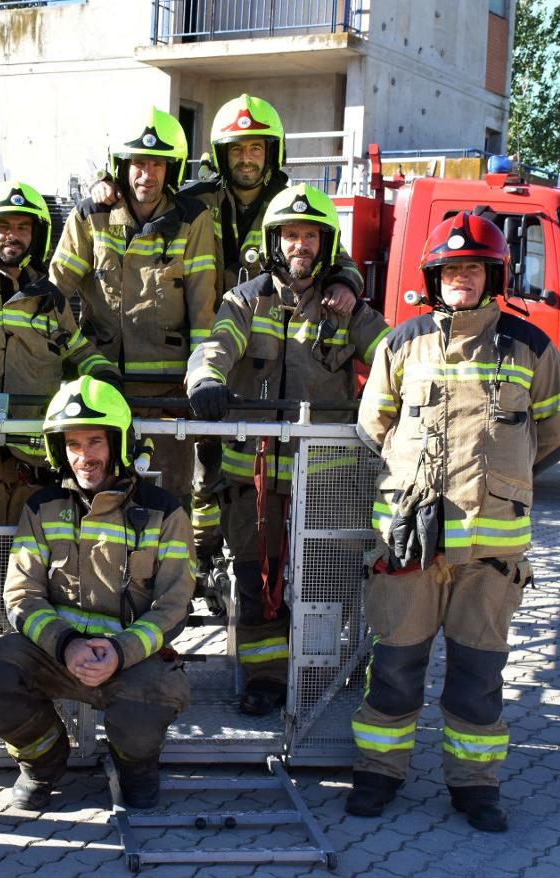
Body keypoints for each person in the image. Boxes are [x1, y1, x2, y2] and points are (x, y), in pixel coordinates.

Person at [346, 211, 560, 831]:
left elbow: (559, 432)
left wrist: (506, 483)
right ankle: (378, 774)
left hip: (491, 560)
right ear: (434, 276)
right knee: (394, 670)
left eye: (472, 268)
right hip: (410, 549)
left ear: (491, 275)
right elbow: (374, 428)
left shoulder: (531, 347)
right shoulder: (402, 342)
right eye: (451, 269)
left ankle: (475, 787)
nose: (461, 279)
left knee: (478, 679)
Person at [88, 94, 364, 574]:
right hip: (202, 352)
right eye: (236, 150)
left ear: (270, 154)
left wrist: (345, 281)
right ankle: (200, 556)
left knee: (239, 458)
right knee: (200, 458)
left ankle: (232, 554)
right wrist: (104, 186)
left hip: (262, 349)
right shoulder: (194, 198)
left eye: (255, 149)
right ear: (221, 155)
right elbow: (144, 199)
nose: (246, 159)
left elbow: (334, 253)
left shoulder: (291, 202)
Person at [186, 183, 388, 716]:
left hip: (324, 478)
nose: (300, 245)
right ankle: (266, 679)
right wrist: (207, 380)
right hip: (250, 482)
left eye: (311, 236)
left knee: (324, 579)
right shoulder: (245, 299)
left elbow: (392, 357)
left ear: (327, 243)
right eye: (291, 235)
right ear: (273, 241)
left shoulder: (344, 307)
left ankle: (317, 673)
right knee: (256, 581)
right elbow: (216, 345)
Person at [0, 376, 194, 811]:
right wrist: (66, 645)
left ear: (119, 443)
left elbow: (173, 606)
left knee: (158, 696)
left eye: (94, 442)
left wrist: (119, 652)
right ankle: (43, 763)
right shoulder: (41, 507)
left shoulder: (166, 512)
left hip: (130, 660)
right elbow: (21, 596)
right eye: (72, 444)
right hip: (56, 652)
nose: (83, 457)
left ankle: (135, 767)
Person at [49, 106, 218, 502]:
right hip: (102, 389)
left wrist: (201, 377)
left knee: (168, 497)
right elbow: (53, 296)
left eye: (157, 163)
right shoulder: (92, 216)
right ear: (121, 166)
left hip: (169, 395)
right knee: (97, 497)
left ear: (171, 169)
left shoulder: (194, 221)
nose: (147, 174)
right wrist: (80, 355)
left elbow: (203, 309)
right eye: (138, 162)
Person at [0, 180, 120, 525]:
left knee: (40, 568)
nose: (11, 235)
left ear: (38, 235)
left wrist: (105, 377)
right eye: (3, 226)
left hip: (39, 465)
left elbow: (78, 349)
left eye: (22, 227)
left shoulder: (49, 300)